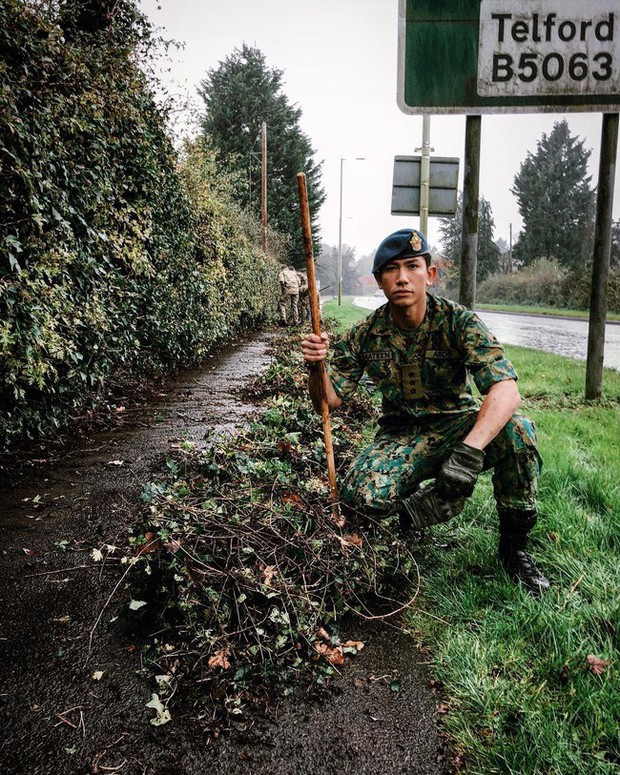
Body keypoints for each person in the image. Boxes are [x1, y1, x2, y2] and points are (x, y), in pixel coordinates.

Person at [300, 228, 549, 596]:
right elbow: (329, 401)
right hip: (401, 434)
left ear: (429, 274)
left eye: (412, 266)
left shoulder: (457, 321)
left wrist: (469, 452)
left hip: (458, 427)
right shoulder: (365, 334)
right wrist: (315, 367)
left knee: (519, 432)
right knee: (360, 496)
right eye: (391, 269)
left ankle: (514, 550)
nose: (402, 277)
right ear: (378, 282)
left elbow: (506, 390)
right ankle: (415, 511)